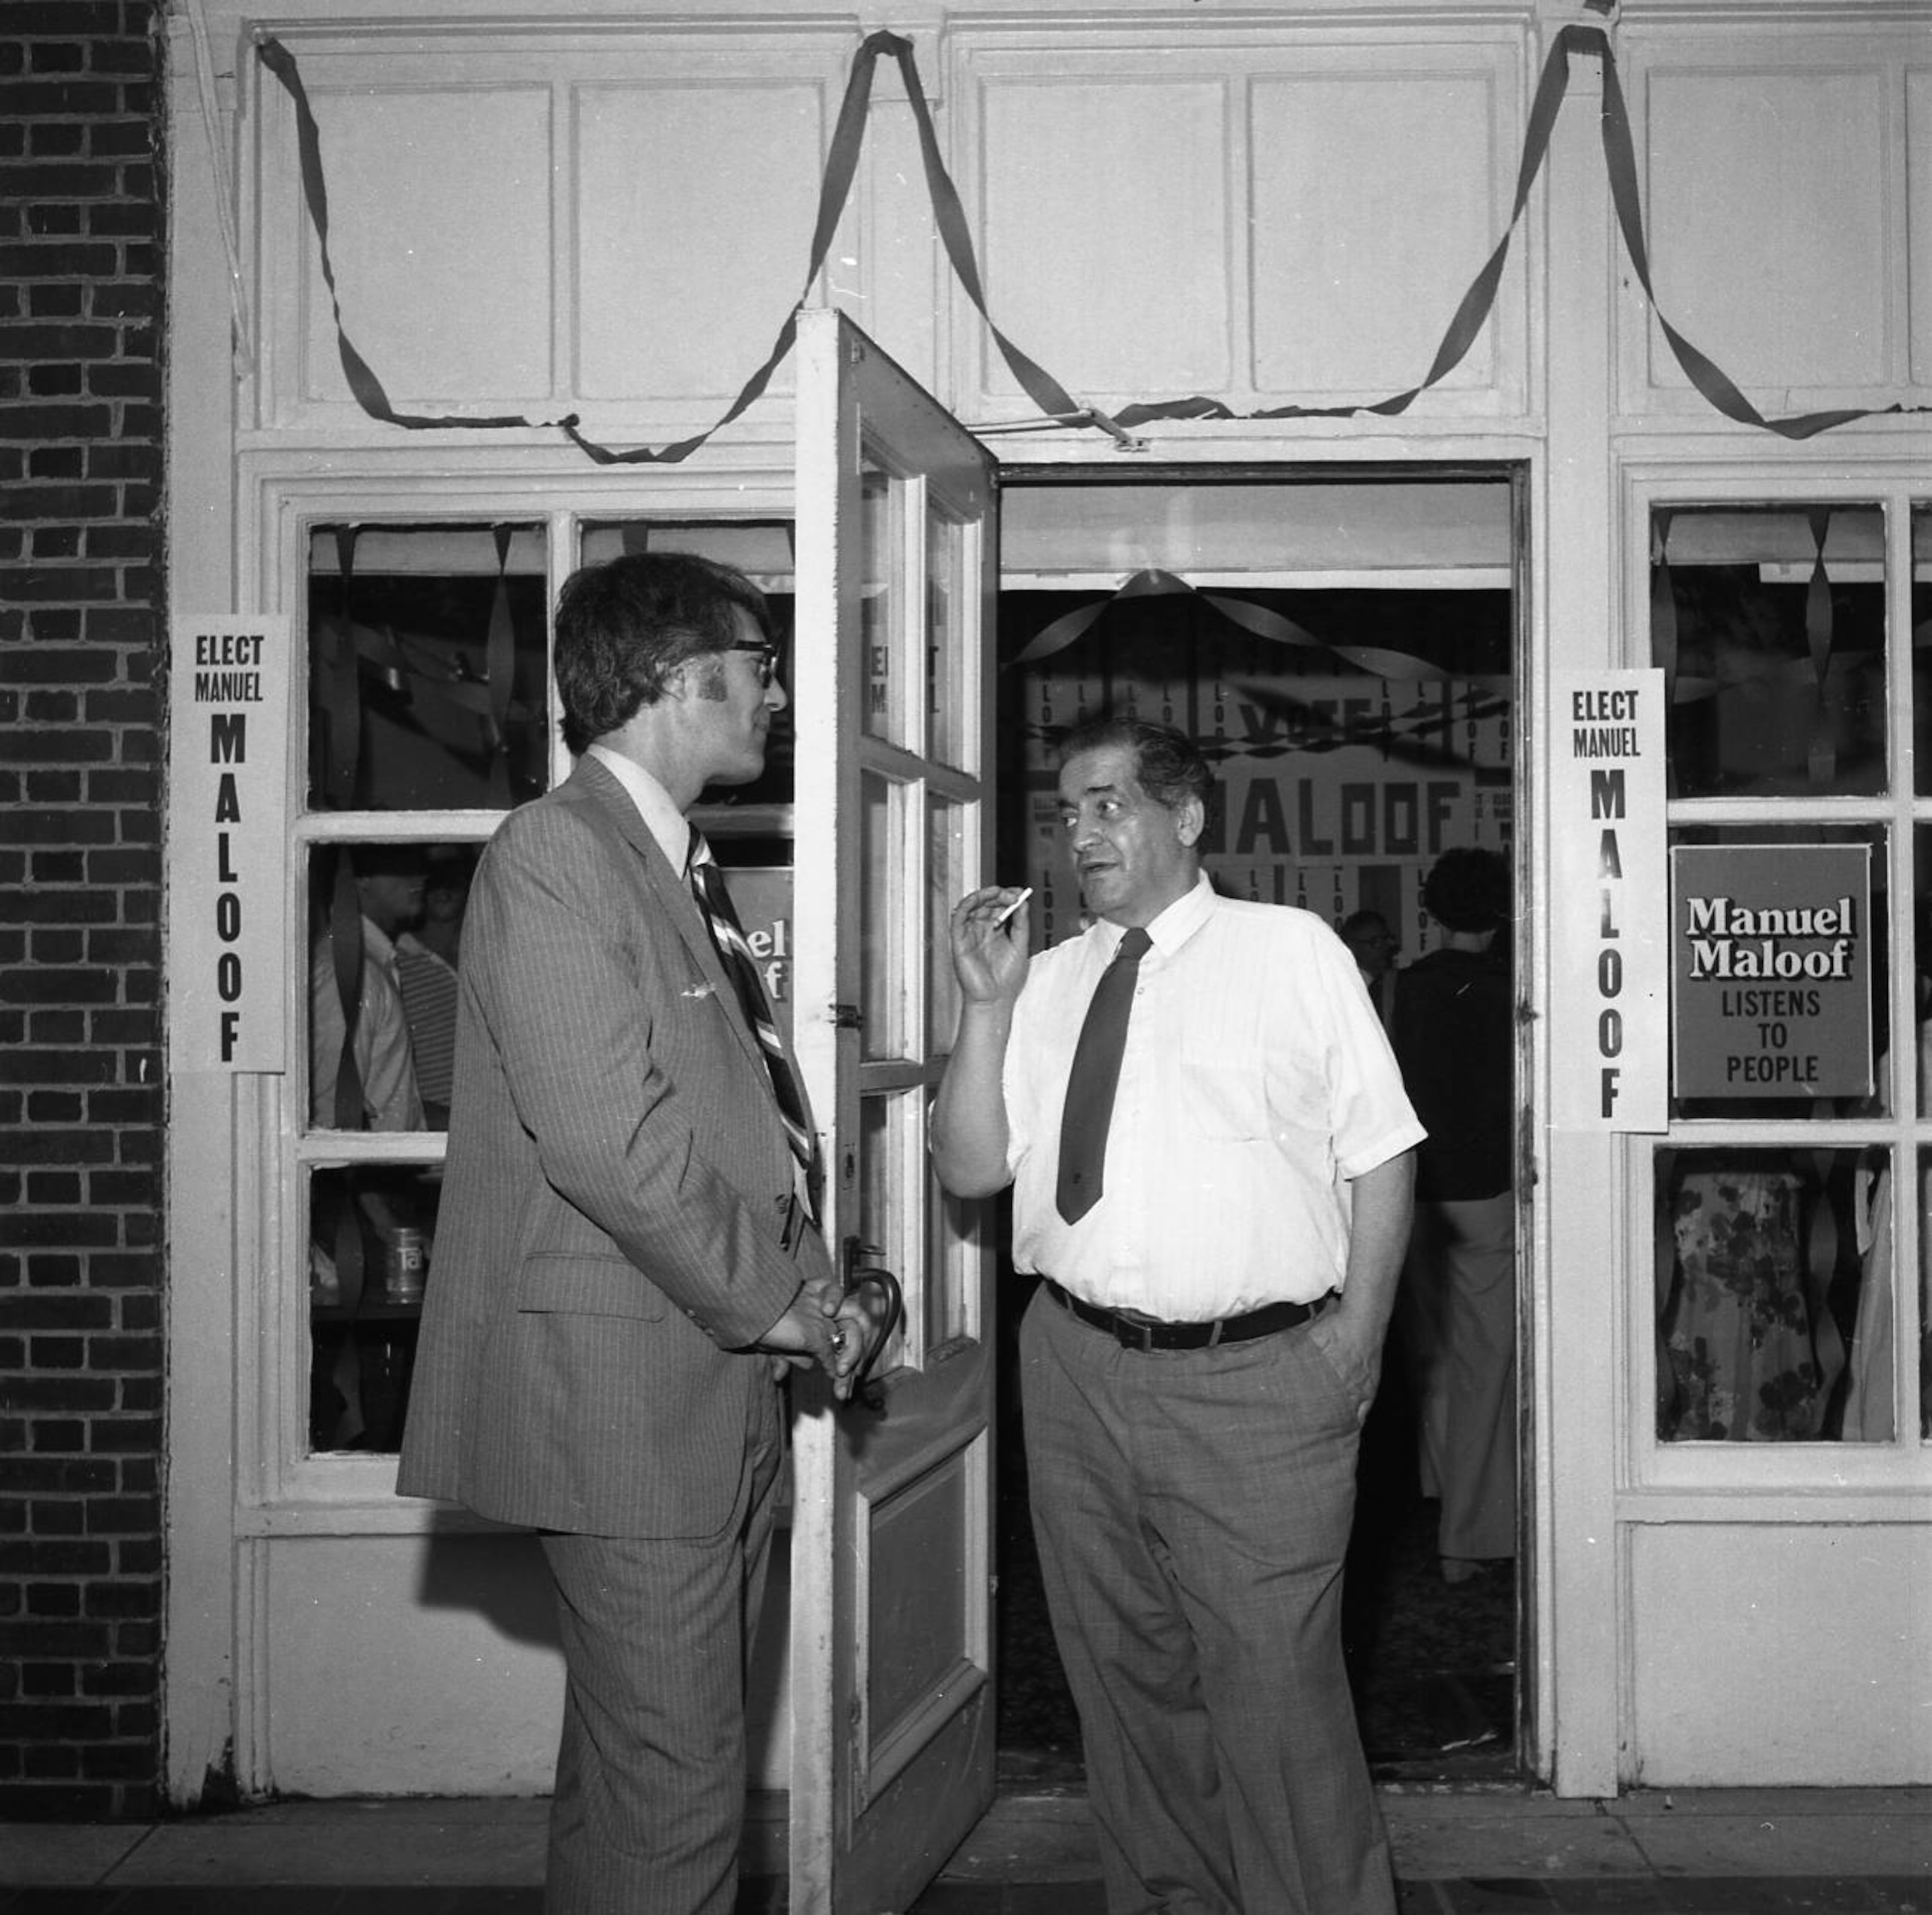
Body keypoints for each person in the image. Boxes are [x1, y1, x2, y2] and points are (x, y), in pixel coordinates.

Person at [397, 551, 878, 1915]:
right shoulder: (559, 851)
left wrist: (811, 1286)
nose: (774, 693)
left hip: (693, 1381)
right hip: (629, 1404)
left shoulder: (659, 855)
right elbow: (612, 1139)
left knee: (638, 1784)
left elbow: (725, 1121)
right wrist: (783, 1298)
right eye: (759, 665)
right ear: (681, 678)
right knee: (674, 1794)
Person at [934, 714, 1422, 1915]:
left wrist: (1354, 1339)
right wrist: (983, 1007)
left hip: (1257, 1380)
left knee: (1277, 1700)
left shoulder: (1287, 950)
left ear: (1184, 816)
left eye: (1107, 802)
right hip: (1077, 1368)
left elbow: (1383, 1149)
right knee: (1125, 1683)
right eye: (1066, 811)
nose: (1080, 830)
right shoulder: (1043, 980)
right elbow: (967, 1172)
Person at [1388, 846, 1516, 1584]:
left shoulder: (1404, 987)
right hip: (1488, 1192)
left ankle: (1441, 1493)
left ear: (1434, 909)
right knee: (1483, 1368)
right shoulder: (1514, 989)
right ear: (1502, 911)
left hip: (1414, 1193)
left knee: (1434, 1358)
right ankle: (1466, 1539)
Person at [1340, 906, 1401, 1027]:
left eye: (1387, 939)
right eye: (1376, 942)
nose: (1385, 947)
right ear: (1351, 947)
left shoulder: (1394, 987)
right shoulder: (1343, 990)